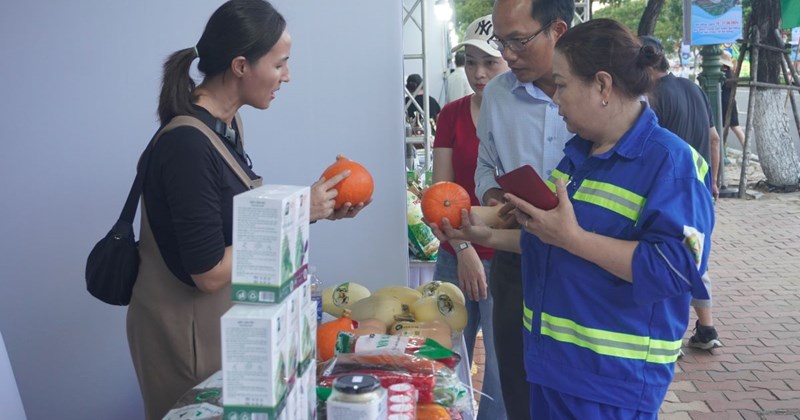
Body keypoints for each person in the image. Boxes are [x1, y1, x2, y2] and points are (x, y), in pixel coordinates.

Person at [433, 18, 715, 418]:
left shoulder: (671, 164)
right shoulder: (579, 156)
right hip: (553, 368)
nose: (556, 99)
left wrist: (574, 239)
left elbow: (675, 268)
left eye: (562, 86)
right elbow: (549, 236)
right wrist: (487, 236)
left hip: (610, 380)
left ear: (602, 86)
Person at [126, 1, 368, 418]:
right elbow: (209, 271)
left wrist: (313, 210)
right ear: (241, 65)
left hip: (224, 327)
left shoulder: (226, 125)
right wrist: (297, 215)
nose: (287, 76)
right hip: (187, 339)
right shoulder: (187, 146)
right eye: (280, 64)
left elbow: (238, 222)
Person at [472, 0, 574, 417]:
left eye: (518, 41)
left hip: (578, 264)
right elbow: (485, 167)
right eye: (502, 41)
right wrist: (494, 198)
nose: (507, 55)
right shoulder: (498, 94)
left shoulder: (601, 90)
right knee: (517, 386)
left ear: (558, 31)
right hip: (516, 262)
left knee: (571, 392)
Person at [431, 14, 509, 420]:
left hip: (507, 259)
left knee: (500, 369)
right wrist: (463, 249)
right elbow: (437, 196)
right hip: (453, 256)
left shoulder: (525, 115)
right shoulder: (451, 115)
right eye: (470, 60)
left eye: (490, 62)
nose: (478, 73)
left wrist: (485, 248)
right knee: (441, 357)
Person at [641, 35, 723, 352]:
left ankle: (668, 340)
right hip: (699, 192)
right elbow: (714, 139)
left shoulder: (651, 98)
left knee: (665, 262)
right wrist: (712, 181)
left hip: (667, 196)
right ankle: (706, 327)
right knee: (696, 257)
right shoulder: (694, 89)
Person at [720, 51, 746, 151]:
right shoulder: (731, 74)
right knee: (736, 128)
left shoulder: (720, 75)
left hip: (722, 103)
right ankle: (745, 150)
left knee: (720, 129)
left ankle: (723, 151)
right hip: (731, 103)